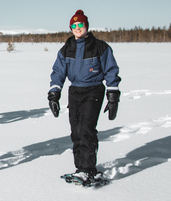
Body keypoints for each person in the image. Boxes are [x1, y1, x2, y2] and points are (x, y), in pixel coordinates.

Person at [48, 10, 121, 181]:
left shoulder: (100, 47)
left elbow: (111, 70)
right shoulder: (67, 49)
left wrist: (113, 96)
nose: (77, 28)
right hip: (74, 91)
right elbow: (58, 72)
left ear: (86, 26)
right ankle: (80, 168)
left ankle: (88, 169)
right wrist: (54, 94)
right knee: (76, 131)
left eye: (80, 24)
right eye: (74, 25)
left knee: (86, 129)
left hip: (93, 89)